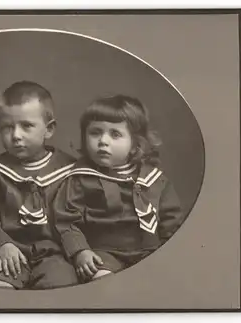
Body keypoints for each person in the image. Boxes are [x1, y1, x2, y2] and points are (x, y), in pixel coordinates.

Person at [52, 94, 184, 282]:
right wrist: (80, 250)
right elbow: (65, 221)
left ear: (135, 145)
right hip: (104, 253)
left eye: (115, 134)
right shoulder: (80, 178)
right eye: (95, 132)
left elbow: (172, 221)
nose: (103, 141)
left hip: (150, 251)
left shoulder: (154, 179)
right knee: (102, 279)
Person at [0, 81, 78, 290]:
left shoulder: (70, 170)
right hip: (7, 250)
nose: (16, 135)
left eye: (26, 126)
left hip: (55, 254)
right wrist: (2, 244)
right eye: (7, 127)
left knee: (60, 287)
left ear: (49, 129)